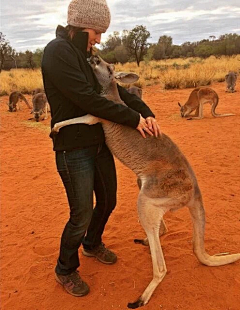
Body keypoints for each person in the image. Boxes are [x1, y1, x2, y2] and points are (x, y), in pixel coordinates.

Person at [41, 0, 161, 298]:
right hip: (73, 148)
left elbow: (114, 92)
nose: (99, 39)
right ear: (82, 26)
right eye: (97, 32)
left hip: (98, 142)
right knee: (80, 212)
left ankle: (92, 244)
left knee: (108, 200)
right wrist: (133, 120)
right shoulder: (58, 53)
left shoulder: (87, 54)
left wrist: (146, 113)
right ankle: (65, 268)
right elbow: (87, 99)